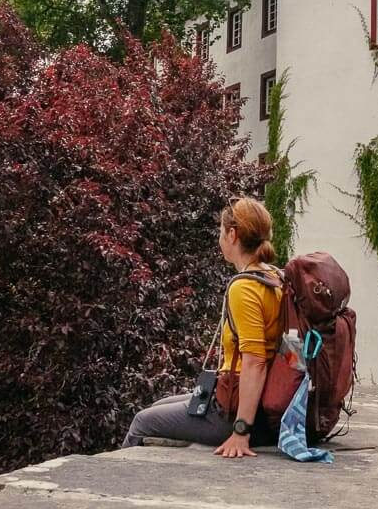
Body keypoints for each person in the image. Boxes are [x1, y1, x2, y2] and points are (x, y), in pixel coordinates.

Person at [121, 196, 283, 459]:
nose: (219, 239)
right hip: (263, 404)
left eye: (221, 232)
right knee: (159, 406)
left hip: (236, 411)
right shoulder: (274, 276)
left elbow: (255, 362)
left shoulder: (245, 287)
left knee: (142, 421)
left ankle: (119, 484)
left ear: (232, 235)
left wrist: (241, 431)